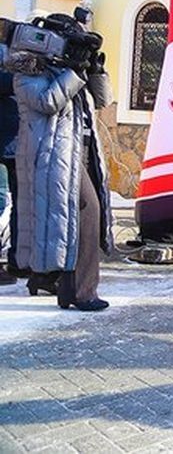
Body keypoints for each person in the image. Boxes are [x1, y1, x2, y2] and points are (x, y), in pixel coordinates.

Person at [9, 17, 113, 310]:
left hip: (81, 151)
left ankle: (67, 291)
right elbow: (46, 101)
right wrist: (73, 71)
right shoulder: (26, 67)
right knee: (84, 215)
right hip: (52, 154)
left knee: (70, 222)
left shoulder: (67, 68)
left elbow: (103, 99)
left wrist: (95, 68)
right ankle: (83, 292)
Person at [0, 43, 19, 284]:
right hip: (10, 144)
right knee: (3, 201)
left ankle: (17, 260)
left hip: (15, 145)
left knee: (18, 205)